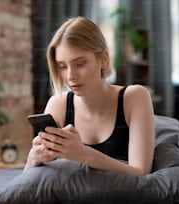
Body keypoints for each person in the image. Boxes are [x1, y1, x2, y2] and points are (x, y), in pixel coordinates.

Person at [24, 16, 155, 176]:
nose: (71, 76)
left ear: (104, 60)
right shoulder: (58, 104)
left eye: (80, 64)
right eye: (62, 66)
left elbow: (141, 173)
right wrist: (33, 159)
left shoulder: (134, 97)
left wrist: (83, 154)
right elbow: (29, 181)